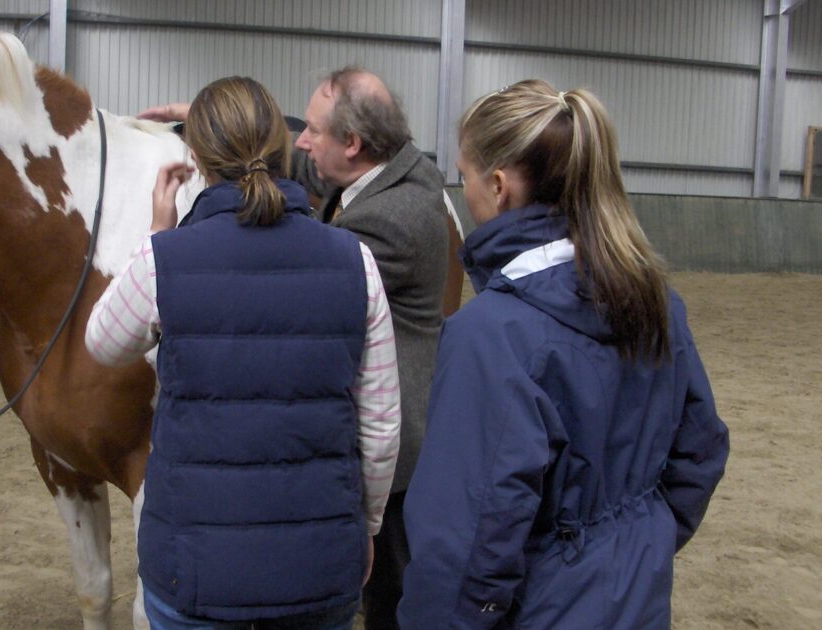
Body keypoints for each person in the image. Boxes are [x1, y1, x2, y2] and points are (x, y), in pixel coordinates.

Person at [397, 80, 730, 628]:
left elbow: (466, 534)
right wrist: (635, 540)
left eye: (465, 175)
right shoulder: (657, 302)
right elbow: (702, 448)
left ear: (499, 187)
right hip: (637, 601)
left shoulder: (490, 334)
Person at [139, 67, 453, 630]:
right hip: (374, 430)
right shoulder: (385, 170)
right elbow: (293, 160)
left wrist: (181, 253)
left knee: (391, 602)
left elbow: (287, 272)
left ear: (352, 143)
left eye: (313, 129)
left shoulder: (392, 221)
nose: (304, 143)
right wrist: (216, 126)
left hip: (393, 452)